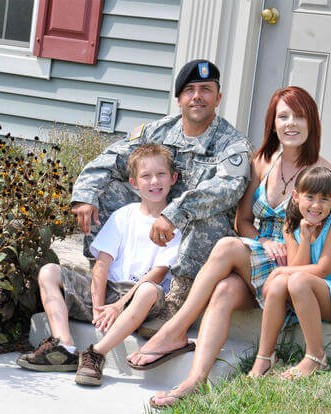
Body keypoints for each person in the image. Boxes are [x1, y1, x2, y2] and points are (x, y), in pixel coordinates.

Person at [126, 86, 331, 408]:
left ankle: (176, 327)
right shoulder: (261, 163)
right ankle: (194, 381)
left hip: (297, 267)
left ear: (311, 122)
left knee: (228, 247)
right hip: (262, 255)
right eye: (283, 116)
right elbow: (242, 221)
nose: (291, 124)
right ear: (272, 123)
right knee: (225, 290)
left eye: (298, 116)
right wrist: (263, 242)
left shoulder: (327, 175)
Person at [71, 59, 251, 333]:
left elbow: (227, 189)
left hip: (193, 234)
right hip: (154, 220)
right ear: (179, 99)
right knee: (107, 191)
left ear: (218, 98)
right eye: (189, 90)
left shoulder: (232, 143)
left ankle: (175, 303)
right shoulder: (158, 132)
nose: (197, 97)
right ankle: (104, 280)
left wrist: (175, 213)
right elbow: (112, 158)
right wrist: (85, 194)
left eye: (206, 89)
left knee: (210, 220)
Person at [17, 144, 188, 385]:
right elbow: (102, 264)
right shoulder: (124, 216)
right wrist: (98, 308)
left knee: (148, 289)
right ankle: (64, 347)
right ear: (134, 183)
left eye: (161, 174)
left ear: (173, 178)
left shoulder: (173, 224)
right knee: (49, 271)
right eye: (146, 176)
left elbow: (158, 274)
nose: (154, 181)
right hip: (108, 293)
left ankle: (96, 353)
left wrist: (119, 306)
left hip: (142, 299)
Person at [249, 166, 331, 380]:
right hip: (316, 294)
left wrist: (279, 271)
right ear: (296, 197)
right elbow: (299, 266)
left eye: (325, 199)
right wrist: (305, 239)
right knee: (284, 282)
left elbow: (322, 270)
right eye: (310, 197)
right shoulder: (291, 226)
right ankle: (265, 356)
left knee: (294, 279)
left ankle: (316, 357)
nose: (317, 205)